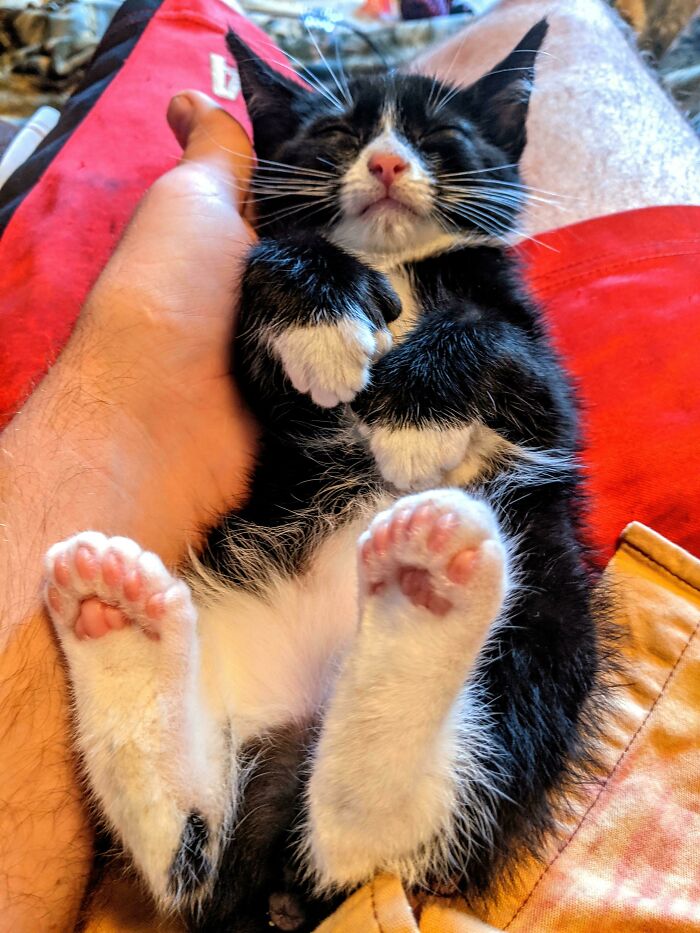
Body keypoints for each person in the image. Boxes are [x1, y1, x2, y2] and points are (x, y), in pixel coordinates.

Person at [0, 0, 698, 929]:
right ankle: (211, 801)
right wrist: (291, 284)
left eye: (438, 141)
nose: (385, 159)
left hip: (449, 684)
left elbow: (537, 413)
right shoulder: (290, 264)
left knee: (554, 627)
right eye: (336, 142)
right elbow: (272, 366)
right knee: (242, 618)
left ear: (501, 152)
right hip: (295, 613)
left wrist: (435, 372)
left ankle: (310, 769)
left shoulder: (488, 294)